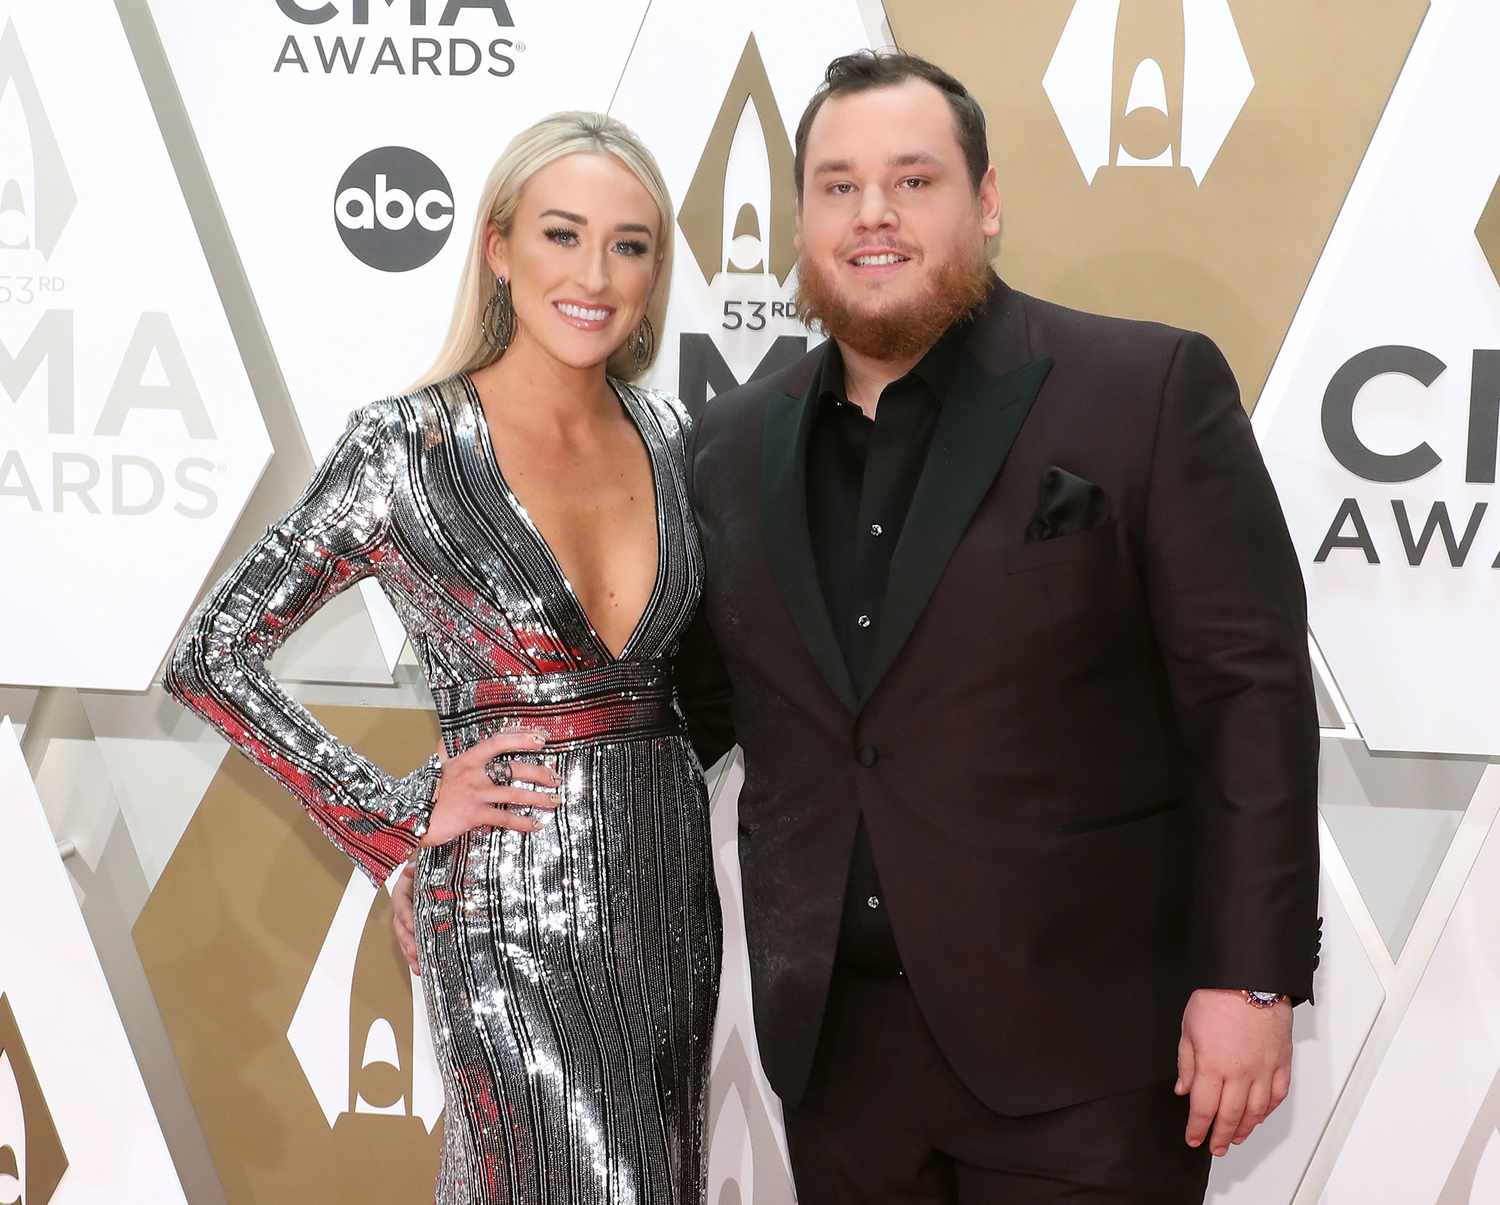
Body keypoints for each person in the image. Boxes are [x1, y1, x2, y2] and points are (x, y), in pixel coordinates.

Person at [395, 51, 1322, 1204]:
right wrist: (458, 828)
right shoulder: (727, 447)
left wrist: (1253, 977)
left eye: (912, 180)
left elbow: (1251, 697)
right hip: (839, 1063)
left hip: (1089, 1054)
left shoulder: (1141, 389)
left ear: (985, 201)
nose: (871, 215)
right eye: (837, 186)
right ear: (802, 220)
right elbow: (671, 709)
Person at [166, 112, 721, 1205]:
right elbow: (214, 653)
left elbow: (717, 683)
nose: (595, 274)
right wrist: (397, 821)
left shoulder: (675, 439)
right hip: (509, 905)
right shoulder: (406, 447)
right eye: (563, 235)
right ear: (499, 249)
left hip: (665, 895)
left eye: (630, 243)